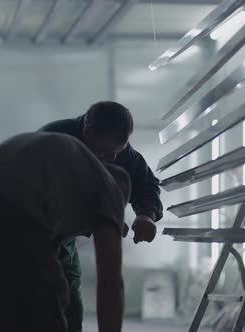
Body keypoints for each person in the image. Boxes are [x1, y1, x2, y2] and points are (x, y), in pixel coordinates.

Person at [0, 132, 130, 332]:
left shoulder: (67, 170)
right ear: (120, 191)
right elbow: (111, 282)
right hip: (15, 202)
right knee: (36, 318)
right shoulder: (110, 186)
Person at [40, 101, 163, 332]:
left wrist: (146, 214)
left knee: (68, 307)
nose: (109, 158)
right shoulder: (52, 142)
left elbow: (146, 183)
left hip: (61, 236)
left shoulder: (119, 153)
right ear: (87, 130)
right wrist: (104, 219)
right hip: (15, 223)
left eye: (115, 153)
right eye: (102, 152)